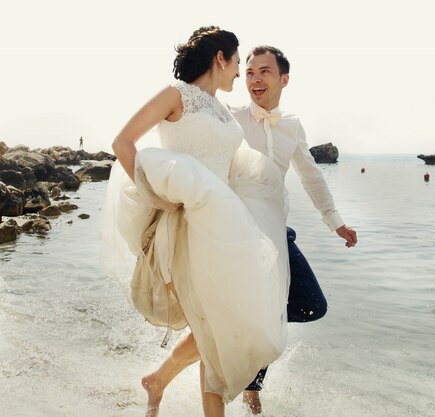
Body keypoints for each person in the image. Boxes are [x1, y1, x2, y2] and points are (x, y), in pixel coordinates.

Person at [138, 45, 358, 416]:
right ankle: (246, 385)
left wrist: (335, 220)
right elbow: (193, 145)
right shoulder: (227, 117)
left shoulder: (293, 126)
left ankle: (180, 377)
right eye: (250, 71)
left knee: (310, 305)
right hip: (231, 234)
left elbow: (311, 175)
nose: (254, 79)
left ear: (283, 79)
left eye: (264, 72)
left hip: (275, 230)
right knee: (233, 317)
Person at [102, 26, 290, 417]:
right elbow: (123, 142)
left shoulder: (222, 109)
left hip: (225, 227)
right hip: (188, 228)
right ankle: (166, 385)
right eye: (238, 63)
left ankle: (157, 381)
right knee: (213, 330)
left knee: (224, 327)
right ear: (220, 58)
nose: (240, 73)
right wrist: (154, 196)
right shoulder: (175, 95)